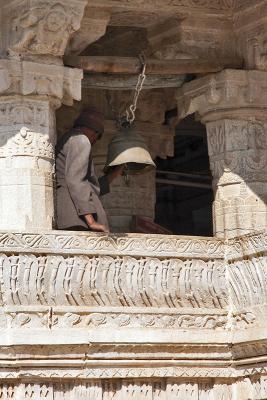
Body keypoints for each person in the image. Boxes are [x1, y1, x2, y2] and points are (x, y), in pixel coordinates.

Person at [56, 108, 123, 232]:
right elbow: (76, 181)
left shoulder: (70, 139)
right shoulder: (81, 140)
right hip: (76, 218)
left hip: (73, 216)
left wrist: (115, 173)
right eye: (98, 138)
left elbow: (90, 189)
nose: (95, 142)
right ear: (95, 133)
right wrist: (91, 221)